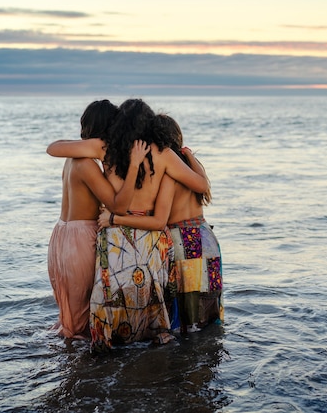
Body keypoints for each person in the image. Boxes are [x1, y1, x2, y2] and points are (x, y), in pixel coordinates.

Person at [47, 99, 209, 351]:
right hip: (149, 236)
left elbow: (54, 149)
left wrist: (83, 145)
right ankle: (147, 349)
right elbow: (201, 186)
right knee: (149, 297)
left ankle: (106, 347)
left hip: (115, 236)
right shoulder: (164, 154)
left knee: (112, 295)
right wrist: (187, 154)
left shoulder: (107, 149)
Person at [98, 114, 222, 335]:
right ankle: (210, 364)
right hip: (205, 237)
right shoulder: (190, 167)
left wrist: (114, 218)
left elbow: (158, 219)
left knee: (186, 313)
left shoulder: (168, 172)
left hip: (184, 240)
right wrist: (189, 154)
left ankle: (186, 363)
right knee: (208, 307)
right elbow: (203, 186)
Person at [46, 99, 149, 339]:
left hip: (61, 236)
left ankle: (66, 366)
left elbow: (53, 147)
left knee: (68, 316)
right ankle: (78, 372)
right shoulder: (86, 165)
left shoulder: (72, 161)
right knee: (81, 322)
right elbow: (119, 207)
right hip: (80, 240)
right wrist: (133, 165)